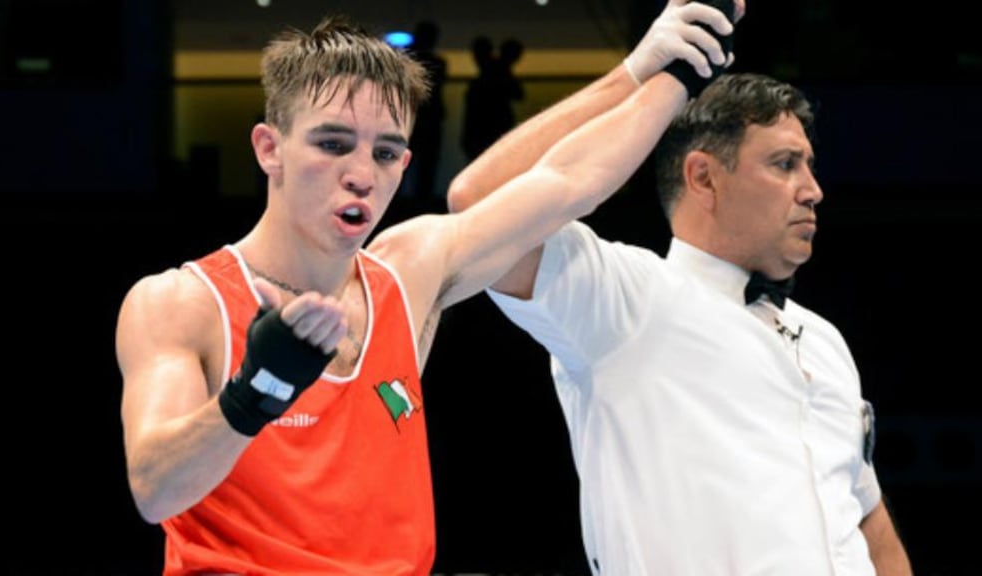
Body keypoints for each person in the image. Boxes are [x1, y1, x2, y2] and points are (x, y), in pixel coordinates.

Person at [116, 4, 740, 574]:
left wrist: (661, 71)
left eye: (386, 154)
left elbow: (567, 179)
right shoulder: (181, 302)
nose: (361, 174)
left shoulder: (408, 272)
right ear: (268, 148)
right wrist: (257, 391)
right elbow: (153, 488)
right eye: (332, 144)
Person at [447, 14, 914, 576]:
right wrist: (638, 75)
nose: (813, 191)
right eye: (785, 164)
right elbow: (479, 203)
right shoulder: (627, 301)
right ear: (704, 178)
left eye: (809, 166)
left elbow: (866, 516)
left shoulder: (825, 341)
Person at [402, 19, 448, 202]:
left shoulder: (413, 61)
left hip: (419, 118)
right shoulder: (434, 62)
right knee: (420, 166)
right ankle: (414, 203)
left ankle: (413, 203)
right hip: (418, 118)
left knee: (422, 166)